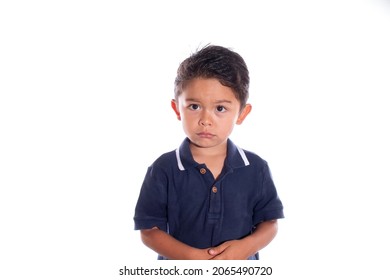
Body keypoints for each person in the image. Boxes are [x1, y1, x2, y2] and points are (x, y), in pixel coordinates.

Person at [133, 45, 284, 260]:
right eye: (194, 106)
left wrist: (246, 247)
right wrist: (193, 258)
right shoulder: (163, 168)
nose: (205, 119)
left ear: (241, 113)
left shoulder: (256, 167)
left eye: (220, 109)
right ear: (177, 109)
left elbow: (270, 223)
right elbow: (149, 231)